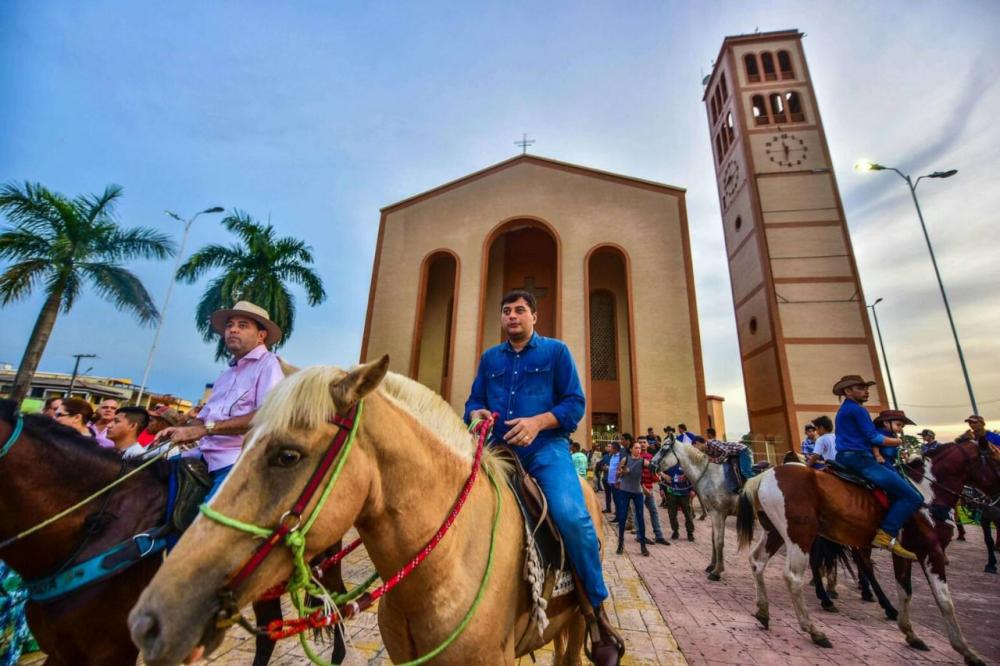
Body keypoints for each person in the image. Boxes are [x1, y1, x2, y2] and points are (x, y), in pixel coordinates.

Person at [465, 289, 621, 661]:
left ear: (534, 316)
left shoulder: (556, 352)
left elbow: (574, 404)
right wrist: (475, 415)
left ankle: (596, 614)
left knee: (571, 516)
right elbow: (473, 401)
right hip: (495, 450)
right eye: (506, 311)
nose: (512, 316)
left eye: (520, 310)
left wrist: (538, 422)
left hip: (545, 450)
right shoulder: (489, 359)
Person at [155, 301, 285, 499]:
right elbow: (205, 416)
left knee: (206, 524)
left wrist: (204, 429)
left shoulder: (269, 365)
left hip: (237, 460)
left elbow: (267, 415)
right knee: (151, 480)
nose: (233, 330)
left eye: (242, 325)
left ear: (261, 336)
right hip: (204, 454)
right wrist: (182, 430)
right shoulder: (226, 375)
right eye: (229, 325)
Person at [832, 375, 921, 560]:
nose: (866, 391)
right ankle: (886, 533)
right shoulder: (858, 410)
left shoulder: (844, 410)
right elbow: (873, 438)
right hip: (860, 459)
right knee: (913, 496)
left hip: (845, 457)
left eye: (866, 387)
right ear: (848, 391)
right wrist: (896, 441)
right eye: (860, 388)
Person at [615, 439, 650, 556]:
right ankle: (620, 543)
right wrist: (623, 471)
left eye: (640, 448)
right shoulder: (626, 459)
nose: (638, 450)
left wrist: (661, 475)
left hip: (637, 492)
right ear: (631, 449)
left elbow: (654, 467)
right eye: (636, 447)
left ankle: (643, 546)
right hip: (625, 490)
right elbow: (617, 473)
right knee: (622, 516)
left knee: (640, 518)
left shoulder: (643, 461)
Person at [640, 441, 670, 545]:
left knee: (654, 512)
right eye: (640, 443)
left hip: (650, 488)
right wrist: (643, 488)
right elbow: (636, 476)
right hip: (640, 489)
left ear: (647, 445)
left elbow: (655, 470)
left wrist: (662, 476)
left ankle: (659, 536)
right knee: (639, 513)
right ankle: (640, 536)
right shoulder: (636, 457)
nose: (642, 444)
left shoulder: (651, 457)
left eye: (644, 442)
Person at [661, 461, 695, 541]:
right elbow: (663, 477)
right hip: (671, 494)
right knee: (672, 515)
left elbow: (693, 478)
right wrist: (661, 489)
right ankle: (675, 531)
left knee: (688, 514)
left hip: (684, 494)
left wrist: (693, 490)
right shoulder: (669, 465)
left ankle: (690, 533)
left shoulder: (686, 465)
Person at [605, 441, 622, 515]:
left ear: (615, 449)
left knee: (618, 500)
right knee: (615, 499)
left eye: (611, 447)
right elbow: (612, 468)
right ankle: (617, 515)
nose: (610, 449)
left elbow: (619, 469)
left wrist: (617, 480)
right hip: (611, 481)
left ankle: (619, 516)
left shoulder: (619, 457)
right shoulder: (612, 456)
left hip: (616, 482)